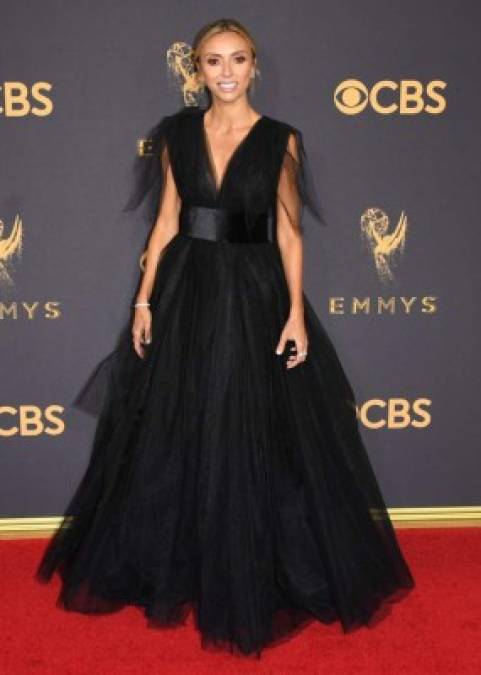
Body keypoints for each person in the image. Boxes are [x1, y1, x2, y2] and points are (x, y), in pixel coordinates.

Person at [35, 17, 415, 659]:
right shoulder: (176, 134)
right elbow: (163, 224)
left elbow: (290, 234)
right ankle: (176, 565)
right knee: (179, 430)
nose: (227, 72)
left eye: (238, 59)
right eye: (213, 61)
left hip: (255, 292)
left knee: (253, 431)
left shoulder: (281, 141)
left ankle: (261, 568)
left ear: (254, 65)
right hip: (187, 291)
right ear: (197, 69)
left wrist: (295, 313)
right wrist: (144, 300)